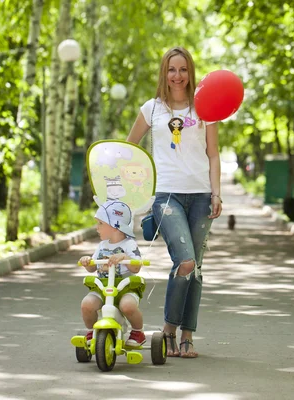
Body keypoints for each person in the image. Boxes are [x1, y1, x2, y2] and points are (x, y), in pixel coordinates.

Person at [126, 46, 222, 358]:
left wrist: (216, 193)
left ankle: (187, 336)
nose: (177, 76)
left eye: (183, 69)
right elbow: (131, 148)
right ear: (164, 74)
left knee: (195, 267)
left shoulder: (204, 108)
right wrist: (138, 191)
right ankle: (168, 329)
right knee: (186, 260)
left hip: (200, 195)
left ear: (190, 73)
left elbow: (213, 154)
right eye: (171, 69)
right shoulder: (151, 109)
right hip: (166, 195)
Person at [79, 200, 146, 346]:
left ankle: (138, 332)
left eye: (100, 223)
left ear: (116, 226)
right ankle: (91, 332)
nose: (97, 228)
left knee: (128, 306)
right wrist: (87, 261)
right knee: (87, 305)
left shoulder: (129, 244)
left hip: (124, 287)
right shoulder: (102, 245)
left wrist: (125, 258)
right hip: (103, 287)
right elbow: (92, 267)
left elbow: (136, 267)